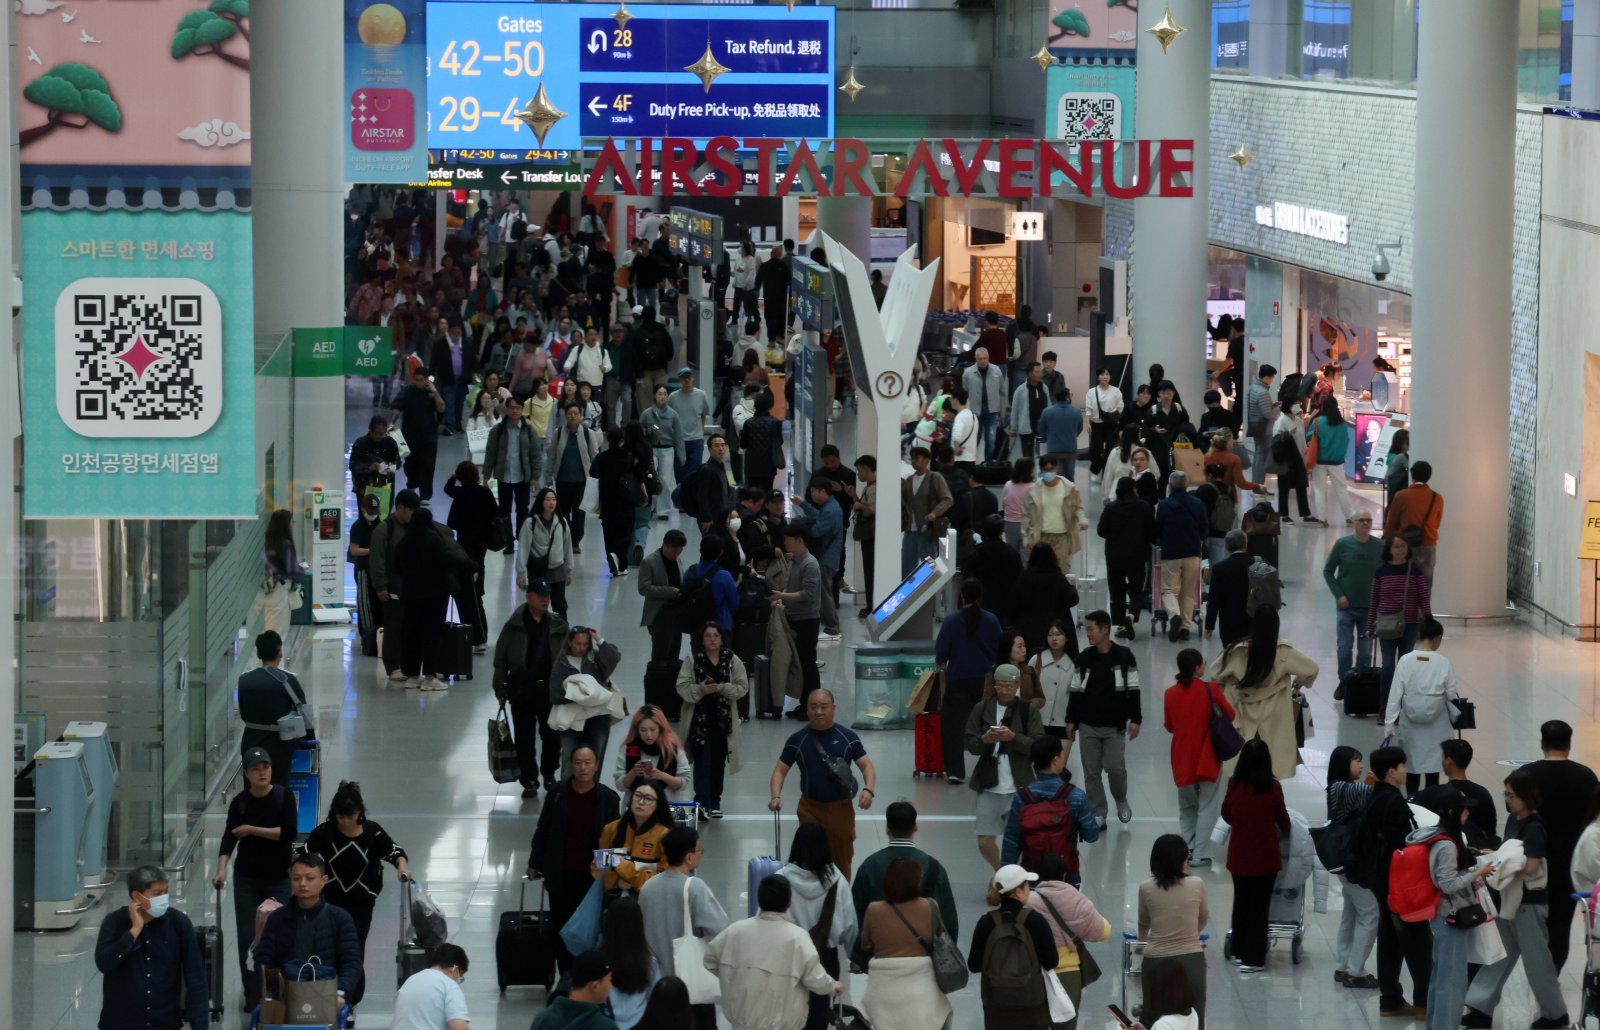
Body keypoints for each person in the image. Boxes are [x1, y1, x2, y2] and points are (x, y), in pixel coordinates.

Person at [1461, 771, 1570, 1028]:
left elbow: (1531, 866)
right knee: (1500, 955)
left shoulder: (1534, 826)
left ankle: (1555, 1014)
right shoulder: (1514, 819)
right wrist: (1496, 857)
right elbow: (1509, 850)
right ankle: (1479, 1006)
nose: (1508, 800)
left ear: (1526, 796)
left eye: (1511, 795)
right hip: (1509, 898)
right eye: (1506, 795)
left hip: (1528, 903)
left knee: (1537, 961)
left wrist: (1500, 866)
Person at [303, 781, 412, 1016]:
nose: (344, 822)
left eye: (349, 816)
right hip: (330, 902)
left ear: (360, 812)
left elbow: (396, 852)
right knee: (328, 946)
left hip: (362, 903)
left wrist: (402, 867)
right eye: (340, 816)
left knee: (353, 948)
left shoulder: (373, 833)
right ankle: (327, 993)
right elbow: (304, 854)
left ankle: (349, 999)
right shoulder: (325, 833)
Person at [704, 874, 845, 1030]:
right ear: (789, 903)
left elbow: (709, 959)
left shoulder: (734, 931)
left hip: (741, 1022)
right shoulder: (797, 938)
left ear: (760, 900)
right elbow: (815, 977)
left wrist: (732, 975)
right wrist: (832, 986)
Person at [529, 744, 622, 971]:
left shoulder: (608, 798)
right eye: (578, 762)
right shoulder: (558, 793)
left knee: (590, 924)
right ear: (571, 765)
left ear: (596, 766)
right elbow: (544, 828)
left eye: (588, 762)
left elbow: (615, 839)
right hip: (560, 872)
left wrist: (614, 874)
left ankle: (587, 971)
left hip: (592, 876)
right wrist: (535, 861)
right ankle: (566, 973)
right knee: (561, 923)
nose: (583, 767)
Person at [211, 747, 296, 994]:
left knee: (278, 933)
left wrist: (251, 829)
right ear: (247, 773)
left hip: (279, 878)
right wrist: (221, 869)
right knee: (248, 936)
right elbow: (229, 839)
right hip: (247, 880)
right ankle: (252, 991)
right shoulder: (240, 803)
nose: (262, 773)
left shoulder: (284, 797)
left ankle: (275, 989)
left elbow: (288, 833)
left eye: (266, 767)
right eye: (256, 769)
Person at [769, 688, 876, 879]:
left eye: (824, 707)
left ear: (833, 708)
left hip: (840, 809)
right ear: (807, 710)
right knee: (809, 860)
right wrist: (775, 796)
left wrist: (869, 790)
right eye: (814, 707)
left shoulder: (848, 737)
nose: (819, 712)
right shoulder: (797, 740)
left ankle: (839, 899)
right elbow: (780, 771)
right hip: (809, 808)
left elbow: (867, 766)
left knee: (842, 860)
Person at [1524, 718, 1600, 972]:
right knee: (1561, 923)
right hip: (1568, 863)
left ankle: (1537, 973)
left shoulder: (1527, 776)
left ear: (1542, 743)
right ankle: (1552, 973)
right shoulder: (1586, 776)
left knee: (1533, 923)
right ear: (1569, 744)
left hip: (1534, 862)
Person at [1209, 606, 1317, 781]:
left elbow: (1215, 672)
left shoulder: (1237, 650)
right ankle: (1268, 798)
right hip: (1274, 712)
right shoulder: (1283, 651)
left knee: (1241, 758)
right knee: (1273, 759)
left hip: (1243, 710)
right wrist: (1299, 683)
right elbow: (1312, 669)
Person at [1362, 746, 1430, 1020]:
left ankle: (1390, 1000)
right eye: (1403, 766)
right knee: (1418, 942)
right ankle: (1424, 1002)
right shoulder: (1394, 803)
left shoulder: (1374, 797)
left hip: (1381, 881)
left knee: (1390, 940)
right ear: (1392, 771)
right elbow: (1402, 845)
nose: (1406, 770)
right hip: (1399, 883)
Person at [95, 865, 209, 1030]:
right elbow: (104, 963)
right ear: (136, 896)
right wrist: (133, 932)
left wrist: (200, 1026)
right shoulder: (114, 923)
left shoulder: (178, 924)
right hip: (121, 1024)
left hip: (165, 1023)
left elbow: (196, 979)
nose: (163, 897)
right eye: (157, 894)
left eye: (165, 891)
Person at [636, 827, 728, 1029]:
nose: (699, 854)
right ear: (688, 857)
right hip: (692, 985)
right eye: (698, 850)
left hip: (658, 984)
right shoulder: (695, 887)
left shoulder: (647, 889)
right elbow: (720, 931)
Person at [253, 853, 363, 1012]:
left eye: (310, 878)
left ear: (323, 880)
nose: (302, 884)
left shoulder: (340, 918)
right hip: (287, 994)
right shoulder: (277, 918)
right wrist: (273, 992)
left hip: (327, 993)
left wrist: (340, 992)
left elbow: (351, 962)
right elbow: (265, 959)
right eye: (296, 878)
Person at [857, 855, 955, 1028]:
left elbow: (865, 943)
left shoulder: (874, 909)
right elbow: (940, 938)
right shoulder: (930, 906)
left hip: (883, 988)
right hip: (921, 986)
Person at [779, 822, 859, 1030]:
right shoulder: (836, 880)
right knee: (818, 1017)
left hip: (788, 960)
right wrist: (855, 958)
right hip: (825, 959)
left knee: (788, 1017)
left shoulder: (781, 879)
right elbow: (849, 925)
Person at [1220, 738, 1290, 973]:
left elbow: (1227, 814)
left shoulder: (1234, 785)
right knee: (1260, 908)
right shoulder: (1273, 787)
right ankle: (1254, 958)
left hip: (1239, 855)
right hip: (1265, 858)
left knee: (1241, 903)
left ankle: (1238, 951)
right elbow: (1284, 822)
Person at [494, 579, 569, 797]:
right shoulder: (513, 625)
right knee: (524, 738)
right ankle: (529, 779)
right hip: (522, 689)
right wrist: (499, 688)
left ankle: (549, 773)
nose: (546, 599)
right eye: (541, 595)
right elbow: (501, 660)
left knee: (552, 736)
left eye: (548, 595)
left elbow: (568, 657)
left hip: (550, 690)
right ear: (529, 597)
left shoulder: (557, 624)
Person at [1065, 609, 1141, 824]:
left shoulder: (1125, 656)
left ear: (1105, 629)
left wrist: (1136, 719)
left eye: (1091, 629)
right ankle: (1098, 812)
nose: (1088, 633)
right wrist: (1071, 720)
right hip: (1087, 724)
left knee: (1116, 769)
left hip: (1114, 726)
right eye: (1087, 629)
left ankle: (1121, 799)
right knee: (1091, 772)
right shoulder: (1084, 658)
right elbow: (1076, 691)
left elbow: (1134, 689)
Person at [967, 664, 1046, 869]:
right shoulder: (982, 708)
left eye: (1009, 686)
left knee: (1022, 838)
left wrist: (1014, 737)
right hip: (989, 782)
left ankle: (1012, 878)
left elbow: (1038, 746)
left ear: (1018, 685)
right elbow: (969, 743)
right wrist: (984, 739)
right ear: (994, 686)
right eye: (1000, 686)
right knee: (984, 840)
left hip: (1020, 783)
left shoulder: (1028, 710)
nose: (1004, 691)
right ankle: (1003, 872)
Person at [1164, 649, 1234, 868]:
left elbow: (1169, 726)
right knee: (1207, 804)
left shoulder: (1170, 693)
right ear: (1197, 668)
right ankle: (1201, 854)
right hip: (1207, 755)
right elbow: (1230, 714)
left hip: (1181, 757)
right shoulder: (1210, 689)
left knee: (1186, 806)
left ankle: (1188, 847)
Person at [1025, 852, 1111, 1030]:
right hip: (1068, 973)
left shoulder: (1029, 901)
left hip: (1035, 972)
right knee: (1066, 1025)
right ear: (1064, 875)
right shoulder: (1075, 898)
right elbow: (1102, 933)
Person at [966, 864, 1056, 1030]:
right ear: (1018, 892)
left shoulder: (986, 922)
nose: (1029, 890)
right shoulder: (1036, 920)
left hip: (996, 1006)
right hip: (1032, 1007)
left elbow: (974, 965)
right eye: (1027, 885)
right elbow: (1051, 962)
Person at [851, 801, 961, 937]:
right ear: (915, 827)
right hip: (924, 952)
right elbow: (949, 919)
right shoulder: (934, 868)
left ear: (887, 828)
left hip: (880, 951)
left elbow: (856, 916)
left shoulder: (869, 866)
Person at [394, 506, 474, 690]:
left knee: (412, 634)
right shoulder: (433, 539)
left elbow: (397, 567)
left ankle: (412, 675)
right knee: (431, 634)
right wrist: (471, 565)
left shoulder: (405, 541)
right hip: (434, 594)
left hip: (411, 594)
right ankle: (430, 677)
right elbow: (447, 559)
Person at [1001, 736, 1100, 883]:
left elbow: (1011, 842)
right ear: (1056, 760)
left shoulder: (1021, 798)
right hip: (1067, 875)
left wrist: (1005, 877)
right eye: (1061, 753)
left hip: (1031, 875)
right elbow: (1092, 835)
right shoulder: (1076, 796)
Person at [676, 621, 749, 818]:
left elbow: (743, 687)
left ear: (722, 638)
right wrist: (700, 689)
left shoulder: (732, 660)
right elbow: (681, 687)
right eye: (708, 636)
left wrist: (723, 688)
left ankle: (715, 802)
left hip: (723, 723)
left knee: (718, 762)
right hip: (699, 722)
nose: (712, 640)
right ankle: (702, 803)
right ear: (702, 639)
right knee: (702, 761)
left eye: (716, 636)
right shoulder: (693, 660)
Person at [1322, 747, 1380, 990]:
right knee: (1370, 913)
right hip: (1352, 859)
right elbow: (1369, 792)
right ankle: (1357, 970)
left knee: (1351, 914)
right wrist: (1375, 776)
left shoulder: (1335, 787)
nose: (1360, 766)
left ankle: (1343, 964)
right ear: (1344, 764)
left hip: (1344, 859)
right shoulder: (1342, 788)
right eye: (1357, 762)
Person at [936, 579, 1003, 785]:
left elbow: (942, 652)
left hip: (958, 678)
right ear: (980, 596)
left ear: (962, 596)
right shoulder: (991, 620)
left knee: (954, 726)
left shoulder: (951, 621)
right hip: (985, 680)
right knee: (988, 724)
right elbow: (999, 649)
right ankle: (990, 767)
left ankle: (955, 771)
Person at [1138, 834, 1210, 1026]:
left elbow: (1143, 924)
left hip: (1156, 961)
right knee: (1194, 1018)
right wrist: (1189, 933)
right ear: (1183, 860)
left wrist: (1146, 939)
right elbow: (1203, 918)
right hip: (1191, 960)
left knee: (1154, 1018)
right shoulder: (1197, 884)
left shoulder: (1145, 887)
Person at [1380, 618, 1459, 793]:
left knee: (1412, 768)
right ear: (1437, 638)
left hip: (1411, 725)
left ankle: (1412, 805)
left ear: (1420, 636)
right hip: (1437, 726)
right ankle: (1431, 808)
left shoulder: (1405, 661)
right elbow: (1452, 694)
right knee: (1433, 770)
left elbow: (1395, 696)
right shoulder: (1443, 662)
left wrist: (1389, 725)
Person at [1366, 533, 1432, 714]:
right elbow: (1374, 600)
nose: (1400, 550)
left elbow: (1422, 596)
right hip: (1386, 626)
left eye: (1403, 546)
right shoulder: (1381, 571)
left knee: (1405, 666)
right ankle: (1385, 706)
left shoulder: (1414, 570)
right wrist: (1370, 626)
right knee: (1388, 665)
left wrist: (1428, 617)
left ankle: (1403, 705)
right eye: (1396, 546)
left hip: (1409, 624)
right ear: (1389, 550)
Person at [235, 630, 310, 786]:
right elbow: (304, 715)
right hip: (279, 745)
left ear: (258, 654)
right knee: (278, 790)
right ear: (280, 653)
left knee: (252, 789)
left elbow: (243, 715)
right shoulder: (288, 680)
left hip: (251, 740)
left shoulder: (244, 680)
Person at [551, 624, 624, 774]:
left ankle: (592, 795)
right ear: (570, 642)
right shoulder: (561, 664)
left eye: (585, 644)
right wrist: (586, 696)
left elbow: (614, 658)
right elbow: (555, 694)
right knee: (569, 762)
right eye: (578, 643)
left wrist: (599, 639)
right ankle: (568, 794)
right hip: (572, 722)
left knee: (594, 762)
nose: (582, 648)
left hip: (597, 719)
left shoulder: (595, 660)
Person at [1323, 510, 1383, 682]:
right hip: (1346, 608)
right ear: (1354, 523)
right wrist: (1339, 595)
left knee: (1365, 652)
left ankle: (1360, 685)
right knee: (1344, 648)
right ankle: (1345, 683)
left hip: (1370, 609)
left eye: (1369, 520)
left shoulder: (1380, 546)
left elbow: (1385, 575)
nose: (1365, 523)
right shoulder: (1342, 544)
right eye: (1361, 520)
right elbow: (1328, 571)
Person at [443, 459, 498, 646]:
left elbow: (447, 489)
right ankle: (481, 637)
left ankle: (473, 636)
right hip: (481, 544)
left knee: (467, 589)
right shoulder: (484, 492)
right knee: (477, 591)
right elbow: (495, 513)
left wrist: (453, 476)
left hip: (465, 544)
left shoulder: (460, 493)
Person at [769, 525, 825, 699]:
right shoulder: (795, 561)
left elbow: (809, 594)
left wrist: (782, 595)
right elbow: (792, 585)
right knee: (800, 663)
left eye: (788, 540)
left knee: (807, 663)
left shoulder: (810, 564)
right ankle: (804, 703)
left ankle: (812, 701)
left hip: (807, 621)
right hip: (795, 618)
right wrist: (782, 598)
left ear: (799, 541)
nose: (785, 543)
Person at [1098, 477, 1157, 640]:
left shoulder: (1111, 507)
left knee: (1117, 591)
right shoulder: (1143, 507)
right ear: (1133, 489)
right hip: (1137, 556)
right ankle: (1131, 616)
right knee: (1137, 590)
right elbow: (1152, 532)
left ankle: (1120, 625)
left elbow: (1101, 531)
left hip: (1114, 556)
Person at [1410, 738, 1499, 846]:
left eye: (1443, 757)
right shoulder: (1483, 794)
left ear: (1449, 761)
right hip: (1480, 848)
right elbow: (1491, 828)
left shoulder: (1435, 793)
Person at [1155, 471, 1208, 641]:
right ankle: (1185, 628)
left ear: (1170, 485)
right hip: (1192, 552)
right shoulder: (1197, 504)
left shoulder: (1163, 505)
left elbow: (1158, 528)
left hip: (1171, 553)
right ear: (1186, 485)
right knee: (1188, 593)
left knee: (1169, 590)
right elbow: (1205, 529)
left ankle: (1174, 616)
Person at [485, 393, 540, 549]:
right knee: (504, 510)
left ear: (522, 409)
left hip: (523, 476)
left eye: (518, 408)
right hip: (504, 476)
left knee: (523, 508)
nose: (515, 411)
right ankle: (507, 541)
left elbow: (536, 454)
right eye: (511, 408)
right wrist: (486, 475)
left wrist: (535, 476)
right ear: (506, 409)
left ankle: (522, 538)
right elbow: (491, 453)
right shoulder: (498, 430)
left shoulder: (529, 430)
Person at [794, 476, 845, 640]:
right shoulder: (829, 507)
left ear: (822, 491)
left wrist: (801, 525)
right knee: (824, 591)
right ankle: (831, 624)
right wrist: (803, 505)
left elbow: (816, 530)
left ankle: (832, 626)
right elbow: (818, 516)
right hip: (827, 556)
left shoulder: (831, 510)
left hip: (826, 557)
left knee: (824, 592)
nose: (812, 495)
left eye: (813, 492)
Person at [1020, 455, 1088, 576]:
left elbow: (1078, 507)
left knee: (1061, 571)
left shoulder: (1069, 488)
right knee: (1040, 571)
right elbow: (1026, 516)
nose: (1048, 472)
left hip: (1062, 537)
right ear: (1040, 470)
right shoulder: (1033, 491)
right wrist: (1026, 538)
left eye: (1051, 469)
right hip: (1041, 537)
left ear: (1057, 468)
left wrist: (1082, 519)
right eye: (1045, 470)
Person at [547, 403, 601, 550]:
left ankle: (576, 541)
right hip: (562, 480)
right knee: (563, 512)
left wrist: (596, 478)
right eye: (569, 413)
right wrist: (548, 476)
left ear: (580, 416)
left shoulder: (587, 433)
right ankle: (566, 539)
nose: (572, 416)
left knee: (579, 513)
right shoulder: (559, 433)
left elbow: (595, 456)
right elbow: (552, 456)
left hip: (581, 481)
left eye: (575, 413)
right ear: (565, 416)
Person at [391, 364, 446, 501]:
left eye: (421, 380)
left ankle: (425, 497)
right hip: (410, 436)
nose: (418, 382)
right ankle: (411, 488)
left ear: (427, 380)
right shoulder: (407, 392)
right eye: (416, 379)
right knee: (410, 465)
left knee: (427, 466)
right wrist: (391, 422)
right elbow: (397, 408)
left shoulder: (432, 393)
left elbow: (441, 409)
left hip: (429, 438)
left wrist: (435, 393)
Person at [591, 426, 641, 576]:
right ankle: (621, 562)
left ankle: (611, 555)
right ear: (622, 439)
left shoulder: (601, 457)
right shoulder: (630, 457)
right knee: (625, 533)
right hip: (626, 503)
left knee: (609, 532)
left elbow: (593, 474)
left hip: (607, 502)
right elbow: (639, 476)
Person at [517, 488, 576, 616]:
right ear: (540, 502)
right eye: (548, 500)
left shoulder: (562, 522)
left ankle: (560, 632)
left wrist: (569, 570)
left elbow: (567, 547)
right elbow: (523, 548)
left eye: (554, 500)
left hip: (558, 571)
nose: (551, 503)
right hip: (538, 571)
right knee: (538, 608)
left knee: (560, 607)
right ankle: (539, 633)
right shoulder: (530, 523)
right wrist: (520, 572)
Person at [1383, 459, 1444, 583]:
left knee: (1404, 584)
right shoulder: (1437, 498)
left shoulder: (1401, 496)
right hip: (1429, 544)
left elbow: (1392, 522)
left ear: (1412, 475)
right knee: (1425, 586)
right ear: (1429, 476)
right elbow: (1436, 524)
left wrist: (1387, 541)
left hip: (1405, 545)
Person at [615, 705, 689, 802]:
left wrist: (662, 776)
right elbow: (620, 786)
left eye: (653, 729)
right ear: (637, 730)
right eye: (643, 730)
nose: (648, 735)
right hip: (635, 808)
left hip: (667, 807)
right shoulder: (628, 748)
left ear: (661, 729)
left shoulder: (673, 749)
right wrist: (632, 773)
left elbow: (683, 783)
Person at [390, 942, 470, 1030]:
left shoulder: (411, 981)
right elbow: (459, 1027)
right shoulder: (449, 986)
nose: (457, 979)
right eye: (460, 975)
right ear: (455, 969)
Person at [532, 950, 618, 1030]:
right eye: (610, 980)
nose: (611, 986)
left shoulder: (542, 1019)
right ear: (595, 986)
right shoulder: (605, 1027)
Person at [902, 445, 955, 574]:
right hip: (910, 529)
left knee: (929, 566)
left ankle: (930, 593)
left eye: (917, 458)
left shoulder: (935, 478)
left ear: (926, 460)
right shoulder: (908, 481)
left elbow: (947, 499)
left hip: (927, 529)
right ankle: (909, 592)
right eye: (912, 458)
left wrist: (934, 513)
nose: (914, 461)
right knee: (906, 565)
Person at [638, 529, 688, 662]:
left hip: (676, 613)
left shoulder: (678, 560)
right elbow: (643, 588)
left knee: (674, 651)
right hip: (659, 614)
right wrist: (669, 591)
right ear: (665, 545)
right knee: (660, 653)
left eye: (680, 551)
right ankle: (657, 679)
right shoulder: (649, 562)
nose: (676, 554)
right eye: (674, 551)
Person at [1306, 396, 1356, 525]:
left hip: (1320, 461)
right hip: (1336, 462)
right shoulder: (1342, 423)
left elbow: (1308, 437)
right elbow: (1345, 441)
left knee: (1319, 490)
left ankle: (1322, 519)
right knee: (1341, 490)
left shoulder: (1318, 421)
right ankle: (1349, 516)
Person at [1202, 530, 1254, 647]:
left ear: (1227, 546)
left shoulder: (1220, 569)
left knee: (1231, 655)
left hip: (1229, 623)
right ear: (1246, 544)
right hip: (1254, 621)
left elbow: (1214, 599)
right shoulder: (1257, 564)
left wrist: (1209, 626)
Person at [641, 384, 684, 520]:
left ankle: (663, 510)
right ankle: (650, 506)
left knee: (665, 479)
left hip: (667, 449)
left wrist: (681, 456)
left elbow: (678, 436)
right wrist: (649, 431)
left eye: (665, 394)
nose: (663, 397)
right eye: (660, 394)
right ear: (655, 395)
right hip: (651, 449)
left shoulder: (673, 414)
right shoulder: (647, 413)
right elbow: (638, 431)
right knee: (651, 477)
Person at [1267, 397, 1311, 523]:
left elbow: (1302, 441)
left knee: (1301, 486)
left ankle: (1305, 514)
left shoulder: (1298, 420)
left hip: (1298, 458)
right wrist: (1288, 434)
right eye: (1295, 404)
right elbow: (1276, 441)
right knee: (1284, 488)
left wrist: (1305, 455)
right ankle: (1284, 514)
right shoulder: (1281, 421)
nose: (1298, 406)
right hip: (1286, 460)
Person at [962, 348, 1009, 462]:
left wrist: (1003, 411)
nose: (983, 361)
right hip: (974, 413)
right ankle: (971, 464)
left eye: (985, 359)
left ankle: (988, 465)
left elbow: (1003, 392)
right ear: (975, 359)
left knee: (991, 441)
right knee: (974, 440)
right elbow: (964, 394)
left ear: (988, 358)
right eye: (980, 359)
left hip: (992, 412)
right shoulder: (968, 373)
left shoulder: (996, 370)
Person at [1034, 387, 1084, 480]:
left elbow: (1041, 429)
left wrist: (1048, 437)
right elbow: (1080, 428)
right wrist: (1072, 435)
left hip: (1053, 450)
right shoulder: (1076, 411)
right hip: (1070, 449)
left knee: (1057, 478)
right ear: (1067, 397)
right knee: (1069, 478)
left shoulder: (1047, 411)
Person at [739, 393, 785, 492]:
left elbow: (743, 445)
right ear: (769, 406)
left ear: (755, 406)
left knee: (753, 494)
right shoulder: (776, 423)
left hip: (752, 466)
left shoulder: (748, 423)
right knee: (767, 491)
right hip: (769, 465)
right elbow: (780, 442)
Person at [350, 414, 402, 495]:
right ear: (370, 430)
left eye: (382, 434)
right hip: (364, 485)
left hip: (386, 486)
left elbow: (398, 463)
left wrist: (387, 466)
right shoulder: (360, 443)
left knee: (384, 508)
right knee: (365, 507)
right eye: (377, 433)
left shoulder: (391, 443)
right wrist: (369, 467)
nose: (380, 436)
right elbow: (352, 465)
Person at [1084, 368, 1123, 477]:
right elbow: (1088, 409)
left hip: (1112, 424)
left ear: (1110, 377)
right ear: (1098, 377)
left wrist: (1117, 419)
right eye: (1102, 374)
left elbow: (1120, 407)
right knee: (1095, 450)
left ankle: (1105, 473)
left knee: (1110, 449)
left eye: (1107, 374)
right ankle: (1097, 465)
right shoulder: (1091, 392)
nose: (1105, 376)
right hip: (1097, 424)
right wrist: (1088, 423)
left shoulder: (1116, 391)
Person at [1245, 365, 1279, 484]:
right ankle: (1258, 485)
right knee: (1262, 457)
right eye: (1272, 377)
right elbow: (1268, 414)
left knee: (1258, 455)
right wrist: (1279, 408)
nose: (1272, 380)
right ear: (1266, 377)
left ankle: (1256, 484)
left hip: (1255, 425)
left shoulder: (1252, 387)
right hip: (1264, 428)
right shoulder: (1263, 392)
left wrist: (1272, 405)